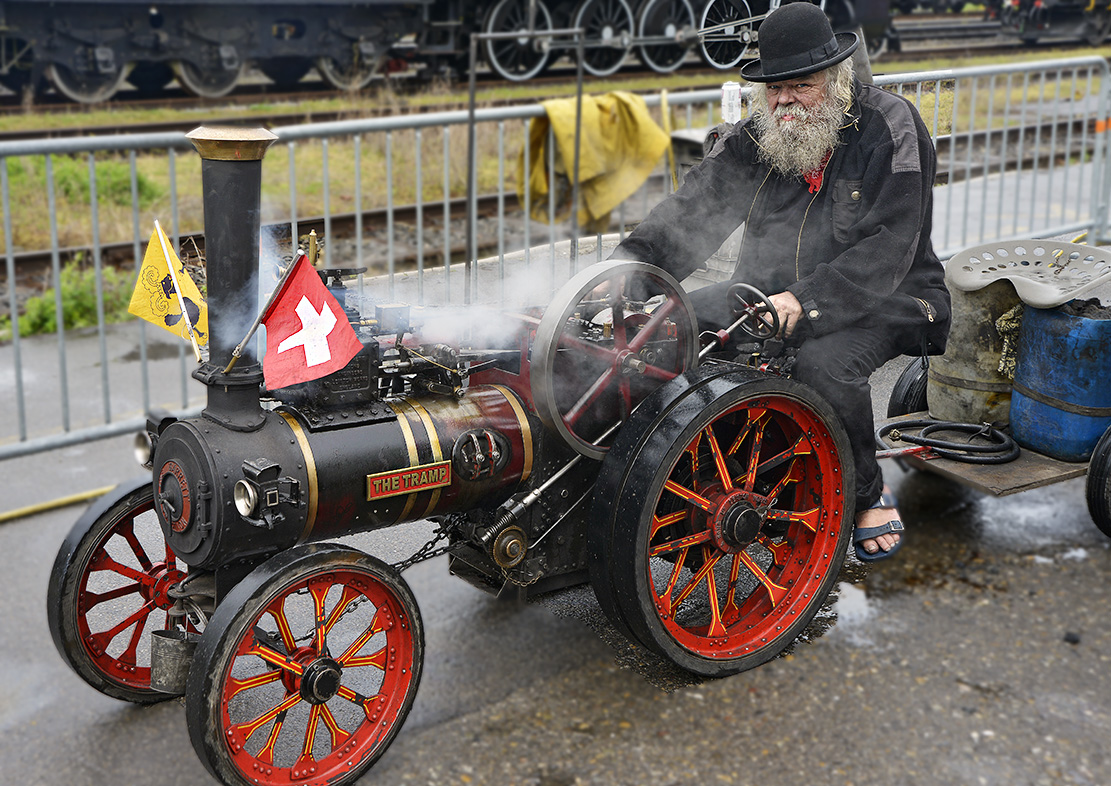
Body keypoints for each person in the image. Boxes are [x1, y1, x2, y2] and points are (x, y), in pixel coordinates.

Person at [609, 1, 951, 561]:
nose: (784, 100)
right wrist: (627, 273)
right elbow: (693, 212)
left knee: (824, 363)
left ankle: (866, 494)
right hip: (768, 297)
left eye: (800, 84)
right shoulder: (759, 137)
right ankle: (697, 472)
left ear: (836, 78)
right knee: (673, 325)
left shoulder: (892, 126)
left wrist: (806, 299)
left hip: (893, 296)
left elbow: (889, 248)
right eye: (773, 87)